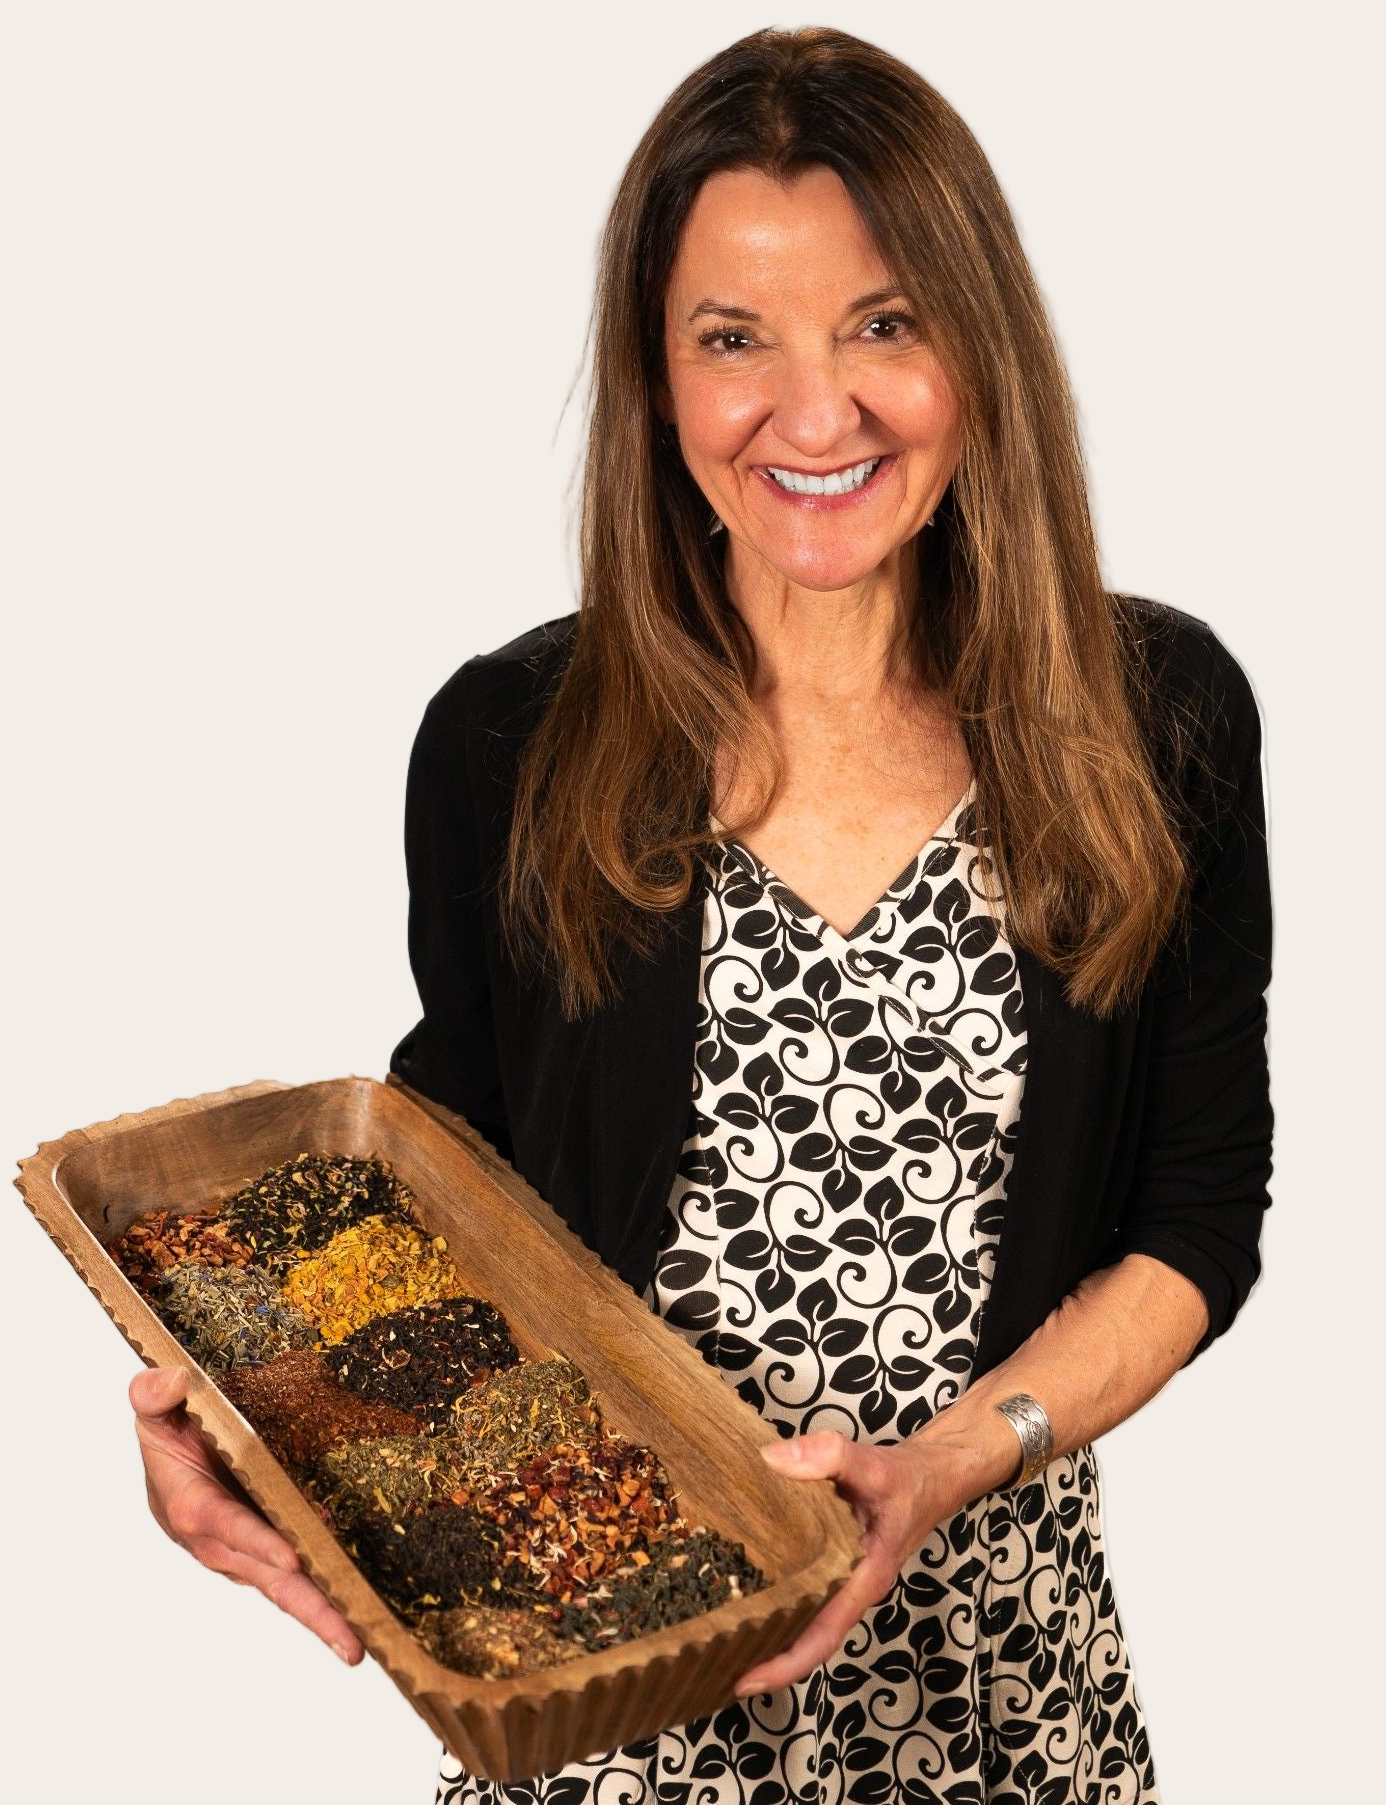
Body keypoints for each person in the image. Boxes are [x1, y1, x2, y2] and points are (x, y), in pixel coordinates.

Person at [129, 26, 1273, 1805]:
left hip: (1001, 1712)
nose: (811, 417)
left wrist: (945, 1466)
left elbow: (1192, 1222)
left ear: (980, 347)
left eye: (883, 325)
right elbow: (441, 1205)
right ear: (656, 380)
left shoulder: (1157, 720)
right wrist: (245, 1413)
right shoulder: (509, 743)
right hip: (600, 1716)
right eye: (732, 339)